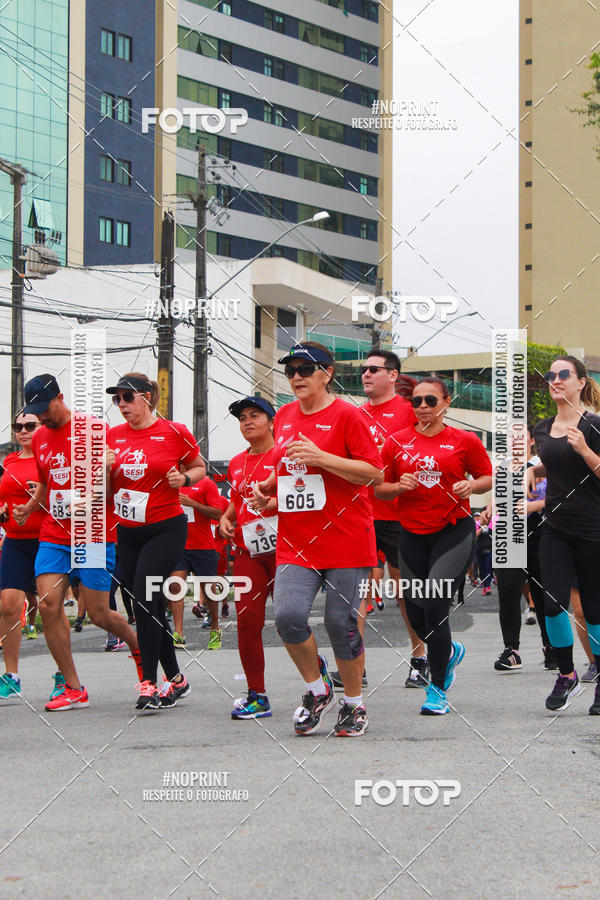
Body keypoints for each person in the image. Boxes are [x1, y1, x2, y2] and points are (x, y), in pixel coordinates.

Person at [252, 342, 383, 737]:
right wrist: (269, 488)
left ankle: (354, 704)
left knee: (339, 622)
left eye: (304, 370)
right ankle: (317, 688)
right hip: (297, 540)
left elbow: (372, 473)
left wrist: (322, 458)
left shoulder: (347, 415)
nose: (295, 377)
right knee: (288, 617)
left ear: (326, 373)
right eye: (290, 370)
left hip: (346, 538)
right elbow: (290, 464)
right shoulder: (287, 414)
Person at [12, 375, 143, 710]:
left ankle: (140, 651)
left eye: (46, 409)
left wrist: (106, 471)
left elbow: (113, 489)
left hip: (94, 532)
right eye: (36, 412)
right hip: (54, 535)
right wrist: (30, 506)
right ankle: (73, 686)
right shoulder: (40, 437)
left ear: (61, 397)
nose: (42, 418)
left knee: (100, 613)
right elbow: (44, 481)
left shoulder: (93, 429)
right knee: (48, 605)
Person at [376, 376, 492, 715]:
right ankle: (450, 650)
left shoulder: (464, 440)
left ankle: (437, 688)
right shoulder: (396, 442)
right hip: (411, 533)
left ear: (446, 403)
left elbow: (487, 476)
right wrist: (397, 486)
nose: (423, 407)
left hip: (453, 530)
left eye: (430, 400)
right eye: (417, 401)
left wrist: (471, 486)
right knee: (414, 610)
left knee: (436, 602)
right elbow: (379, 489)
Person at [106, 373, 205, 711]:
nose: (121, 405)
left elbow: (199, 466)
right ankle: (177, 680)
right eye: (117, 399)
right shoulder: (112, 437)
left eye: (127, 398)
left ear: (147, 397)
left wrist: (185, 478)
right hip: (129, 531)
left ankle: (148, 683)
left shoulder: (174, 431)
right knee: (147, 606)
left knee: (147, 599)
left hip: (165, 527)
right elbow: (105, 494)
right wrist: (104, 470)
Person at [345, 351, 427, 689]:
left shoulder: (410, 412)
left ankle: (420, 657)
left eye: (373, 369)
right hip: (359, 512)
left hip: (398, 513)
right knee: (356, 592)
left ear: (393, 375)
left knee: (405, 591)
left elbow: (427, 450)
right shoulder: (353, 414)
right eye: (363, 369)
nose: (366, 374)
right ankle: (355, 665)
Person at [528, 356, 600, 714]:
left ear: (581, 382)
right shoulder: (542, 429)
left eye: (563, 375)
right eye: (551, 376)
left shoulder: (595, 425)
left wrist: (585, 450)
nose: (555, 380)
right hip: (555, 528)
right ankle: (567, 674)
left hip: (593, 529)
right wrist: (533, 470)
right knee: (552, 602)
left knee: (593, 609)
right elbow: (553, 462)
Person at [220, 396, 278, 719]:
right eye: (242, 418)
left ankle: (318, 676)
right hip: (247, 552)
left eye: (254, 415)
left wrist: (273, 505)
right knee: (247, 621)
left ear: (271, 421)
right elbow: (235, 499)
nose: (247, 422)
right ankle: (257, 694)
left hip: (284, 550)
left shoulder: (282, 455)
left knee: (289, 622)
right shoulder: (236, 463)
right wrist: (225, 518)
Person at [485, 424, 555, 673]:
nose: (514, 442)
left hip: (540, 536)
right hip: (509, 538)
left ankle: (551, 647)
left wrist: (533, 507)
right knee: (507, 595)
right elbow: (497, 498)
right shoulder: (504, 469)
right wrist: (489, 510)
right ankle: (511, 650)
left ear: (531, 440)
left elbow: (558, 498)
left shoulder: (542, 466)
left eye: (519, 438)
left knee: (545, 596)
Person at [0, 413, 45, 699]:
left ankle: (65, 676)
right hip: (15, 542)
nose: (23, 431)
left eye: (30, 426)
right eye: (18, 427)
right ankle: (11, 674)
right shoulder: (9, 462)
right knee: (8, 604)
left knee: (51, 608)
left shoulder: (49, 459)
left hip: (48, 541)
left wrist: (38, 499)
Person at [170, 473, 223, 650]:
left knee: (208, 590)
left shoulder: (206, 484)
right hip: (178, 545)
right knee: (176, 586)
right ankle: (178, 633)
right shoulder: (169, 484)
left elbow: (218, 513)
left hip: (203, 545)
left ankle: (215, 627)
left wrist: (193, 504)